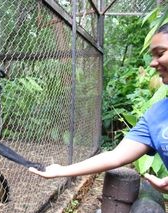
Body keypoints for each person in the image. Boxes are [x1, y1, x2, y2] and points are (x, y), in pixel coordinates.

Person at [29, 23, 168, 194]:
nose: (153, 63)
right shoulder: (156, 115)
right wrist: (61, 170)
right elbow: (115, 156)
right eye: (152, 55)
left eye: (160, 53)